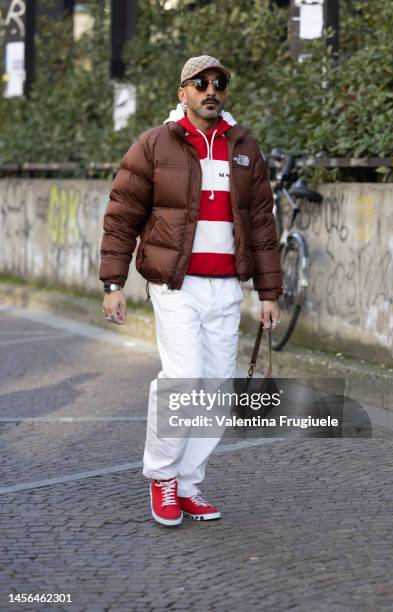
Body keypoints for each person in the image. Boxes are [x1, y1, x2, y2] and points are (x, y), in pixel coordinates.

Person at [99, 55, 282, 527]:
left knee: (218, 390)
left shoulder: (243, 147)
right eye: (201, 82)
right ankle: (161, 478)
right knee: (183, 379)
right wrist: (113, 283)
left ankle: (187, 484)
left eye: (219, 82)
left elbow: (262, 222)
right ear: (182, 92)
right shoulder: (154, 144)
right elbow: (122, 216)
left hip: (226, 288)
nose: (211, 89)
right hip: (174, 286)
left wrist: (268, 292)